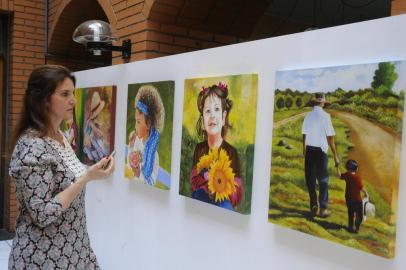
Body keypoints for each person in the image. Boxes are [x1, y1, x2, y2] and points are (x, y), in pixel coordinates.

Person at [8, 65, 115, 269]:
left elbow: (65, 184)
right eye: (65, 94)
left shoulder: (61, 137)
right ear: (43, 99)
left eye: (72, 93)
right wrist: (86, 178)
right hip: (43, 257)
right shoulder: (32, 146)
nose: (73, 101)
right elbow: (42, 213)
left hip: (75, 249)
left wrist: (94, 173)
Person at [190, 82, 243, 210]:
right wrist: (205, 178)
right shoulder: (199, 149)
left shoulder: (231, 152)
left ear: (224, 117)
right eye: (208, 111)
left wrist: (223, 186)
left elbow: (237, 190)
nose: (212, 115)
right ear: (202, 121)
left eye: (217, 109)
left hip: (223, 203)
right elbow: (194, 180)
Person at [302, 92, 339, 217]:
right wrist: (335, 154)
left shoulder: (308, 116)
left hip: (310, 150)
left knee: (310, 179)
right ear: (322, 102)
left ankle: (313, 204)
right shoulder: (326, 117)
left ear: (314, 103)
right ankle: (323, 209)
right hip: (321, 152)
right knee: (323, 180)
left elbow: (304, 134)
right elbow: (330, 138)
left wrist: (304, 148)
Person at [127, 85, 165, 186]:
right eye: (136, 121)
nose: (135, 126)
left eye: (138, 122)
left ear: (148, 124)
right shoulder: (137, 143)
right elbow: (128, 167)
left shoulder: (154, 156)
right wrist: (130, 147)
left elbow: (150, 184)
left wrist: (138, 173)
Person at [336, 159, 368, 233]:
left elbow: (339, 175)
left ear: (347, 168)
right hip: (357, 200)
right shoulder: (357, 178)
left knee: (350, 213)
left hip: (348, 199)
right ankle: (357, 228)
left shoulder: (347, 175)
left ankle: (350, 227)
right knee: (359, 214)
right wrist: (366, 193)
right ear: (356, 169)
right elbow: (361, 187)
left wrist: (337, 167)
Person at [83, 91, 109, 163]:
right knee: (96, 144)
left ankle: (100, 156)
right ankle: (98, 157)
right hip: (90, 140)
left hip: (93, 139)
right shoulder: (90, 122)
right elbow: (92, 131)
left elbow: (97, 130)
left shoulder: (94, 121)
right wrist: (97, 131)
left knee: (99, 144)